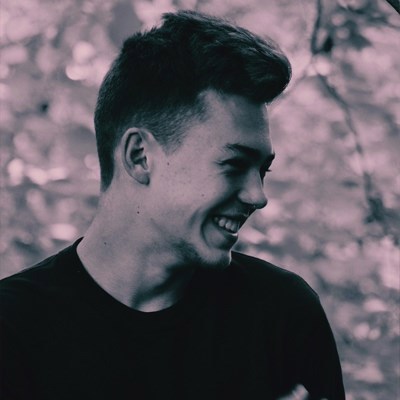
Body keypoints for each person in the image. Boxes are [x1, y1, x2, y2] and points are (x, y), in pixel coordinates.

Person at [0, 10, 345, 400]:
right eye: (234, 164)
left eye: (263, 170)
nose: (258, 196)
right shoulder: (12, 329)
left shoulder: (283, 316)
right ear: (140, 156)